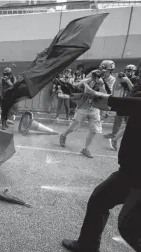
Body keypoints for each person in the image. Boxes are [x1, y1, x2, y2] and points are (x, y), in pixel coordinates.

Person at [61, 73, 141, 252]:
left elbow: (107, 102)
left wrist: (88, 92)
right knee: (100, 199)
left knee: (130, 228)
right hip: (130, 173)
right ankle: (87, 246)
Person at [59, 70, 107, 158]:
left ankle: (85, 149)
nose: (95, 78)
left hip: (94, 109)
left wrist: (101, 84)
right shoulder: (86, 81)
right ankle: (63, 135)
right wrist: (87, 83)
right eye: (94, 76)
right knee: (73, 127)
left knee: (94, 130)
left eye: (97, 76)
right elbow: (79, 90)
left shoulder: (104, 83)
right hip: (83, 107)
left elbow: (105, 95)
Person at [104, 64, 138, 139]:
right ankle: (114, 134)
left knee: (130, 120)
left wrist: (127, 80)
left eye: (129, 71)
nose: (127, 72)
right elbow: (116, 88)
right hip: (125, 101)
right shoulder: (125, 79)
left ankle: (132, 135)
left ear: (134, 72)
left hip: (133, 103)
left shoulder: (136, 79)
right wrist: (117, 80)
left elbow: (134, 90)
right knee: (118, 117)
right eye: (126, 71)